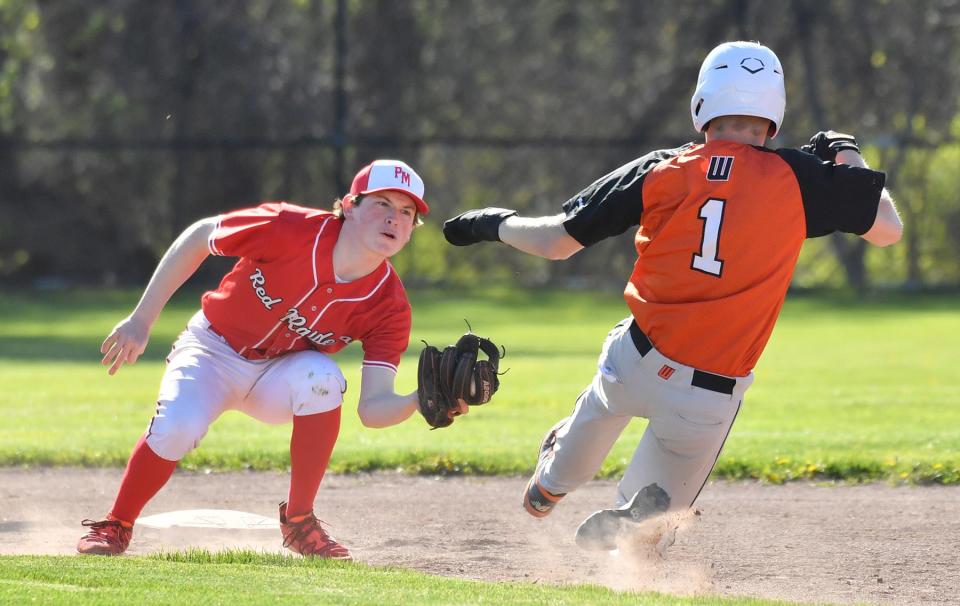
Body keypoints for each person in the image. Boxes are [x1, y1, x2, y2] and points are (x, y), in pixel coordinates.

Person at [443, 41, 903, 551]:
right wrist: (844, 153)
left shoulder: (664, 168)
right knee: (647, 543)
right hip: (709, 393)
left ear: (703, 104)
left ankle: (549, 485)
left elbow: (557, 241)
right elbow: (887, 230)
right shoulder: (799, 178)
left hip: (636, 358)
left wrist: (493, 223)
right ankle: (637, 523)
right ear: (773, 113)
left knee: (587, 425)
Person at [77, 159, 459, 558]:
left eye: (406, 212)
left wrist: (421, 399)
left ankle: (299, 522)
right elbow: (201, 235)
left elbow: (373, 408)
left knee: (323, 378)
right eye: (382, 203)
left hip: (279, 374)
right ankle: (116, 523)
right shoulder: (288, 228)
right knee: (177, 426)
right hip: (213, 350)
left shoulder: (389, 305)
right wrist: (142, 319)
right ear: (349, 205)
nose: (394, 219)